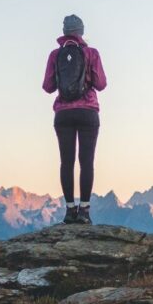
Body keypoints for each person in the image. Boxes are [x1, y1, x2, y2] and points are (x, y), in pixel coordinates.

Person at [42, 14, 107, 224]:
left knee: (66, 162)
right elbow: (101, 84)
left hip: (63, 114)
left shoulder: (55, 55)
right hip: (88, 112)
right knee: (86, 162)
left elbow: (48, 87)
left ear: (64, 32)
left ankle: (70, 210)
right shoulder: (91, 53)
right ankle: (85, 211)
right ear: (81, 32)